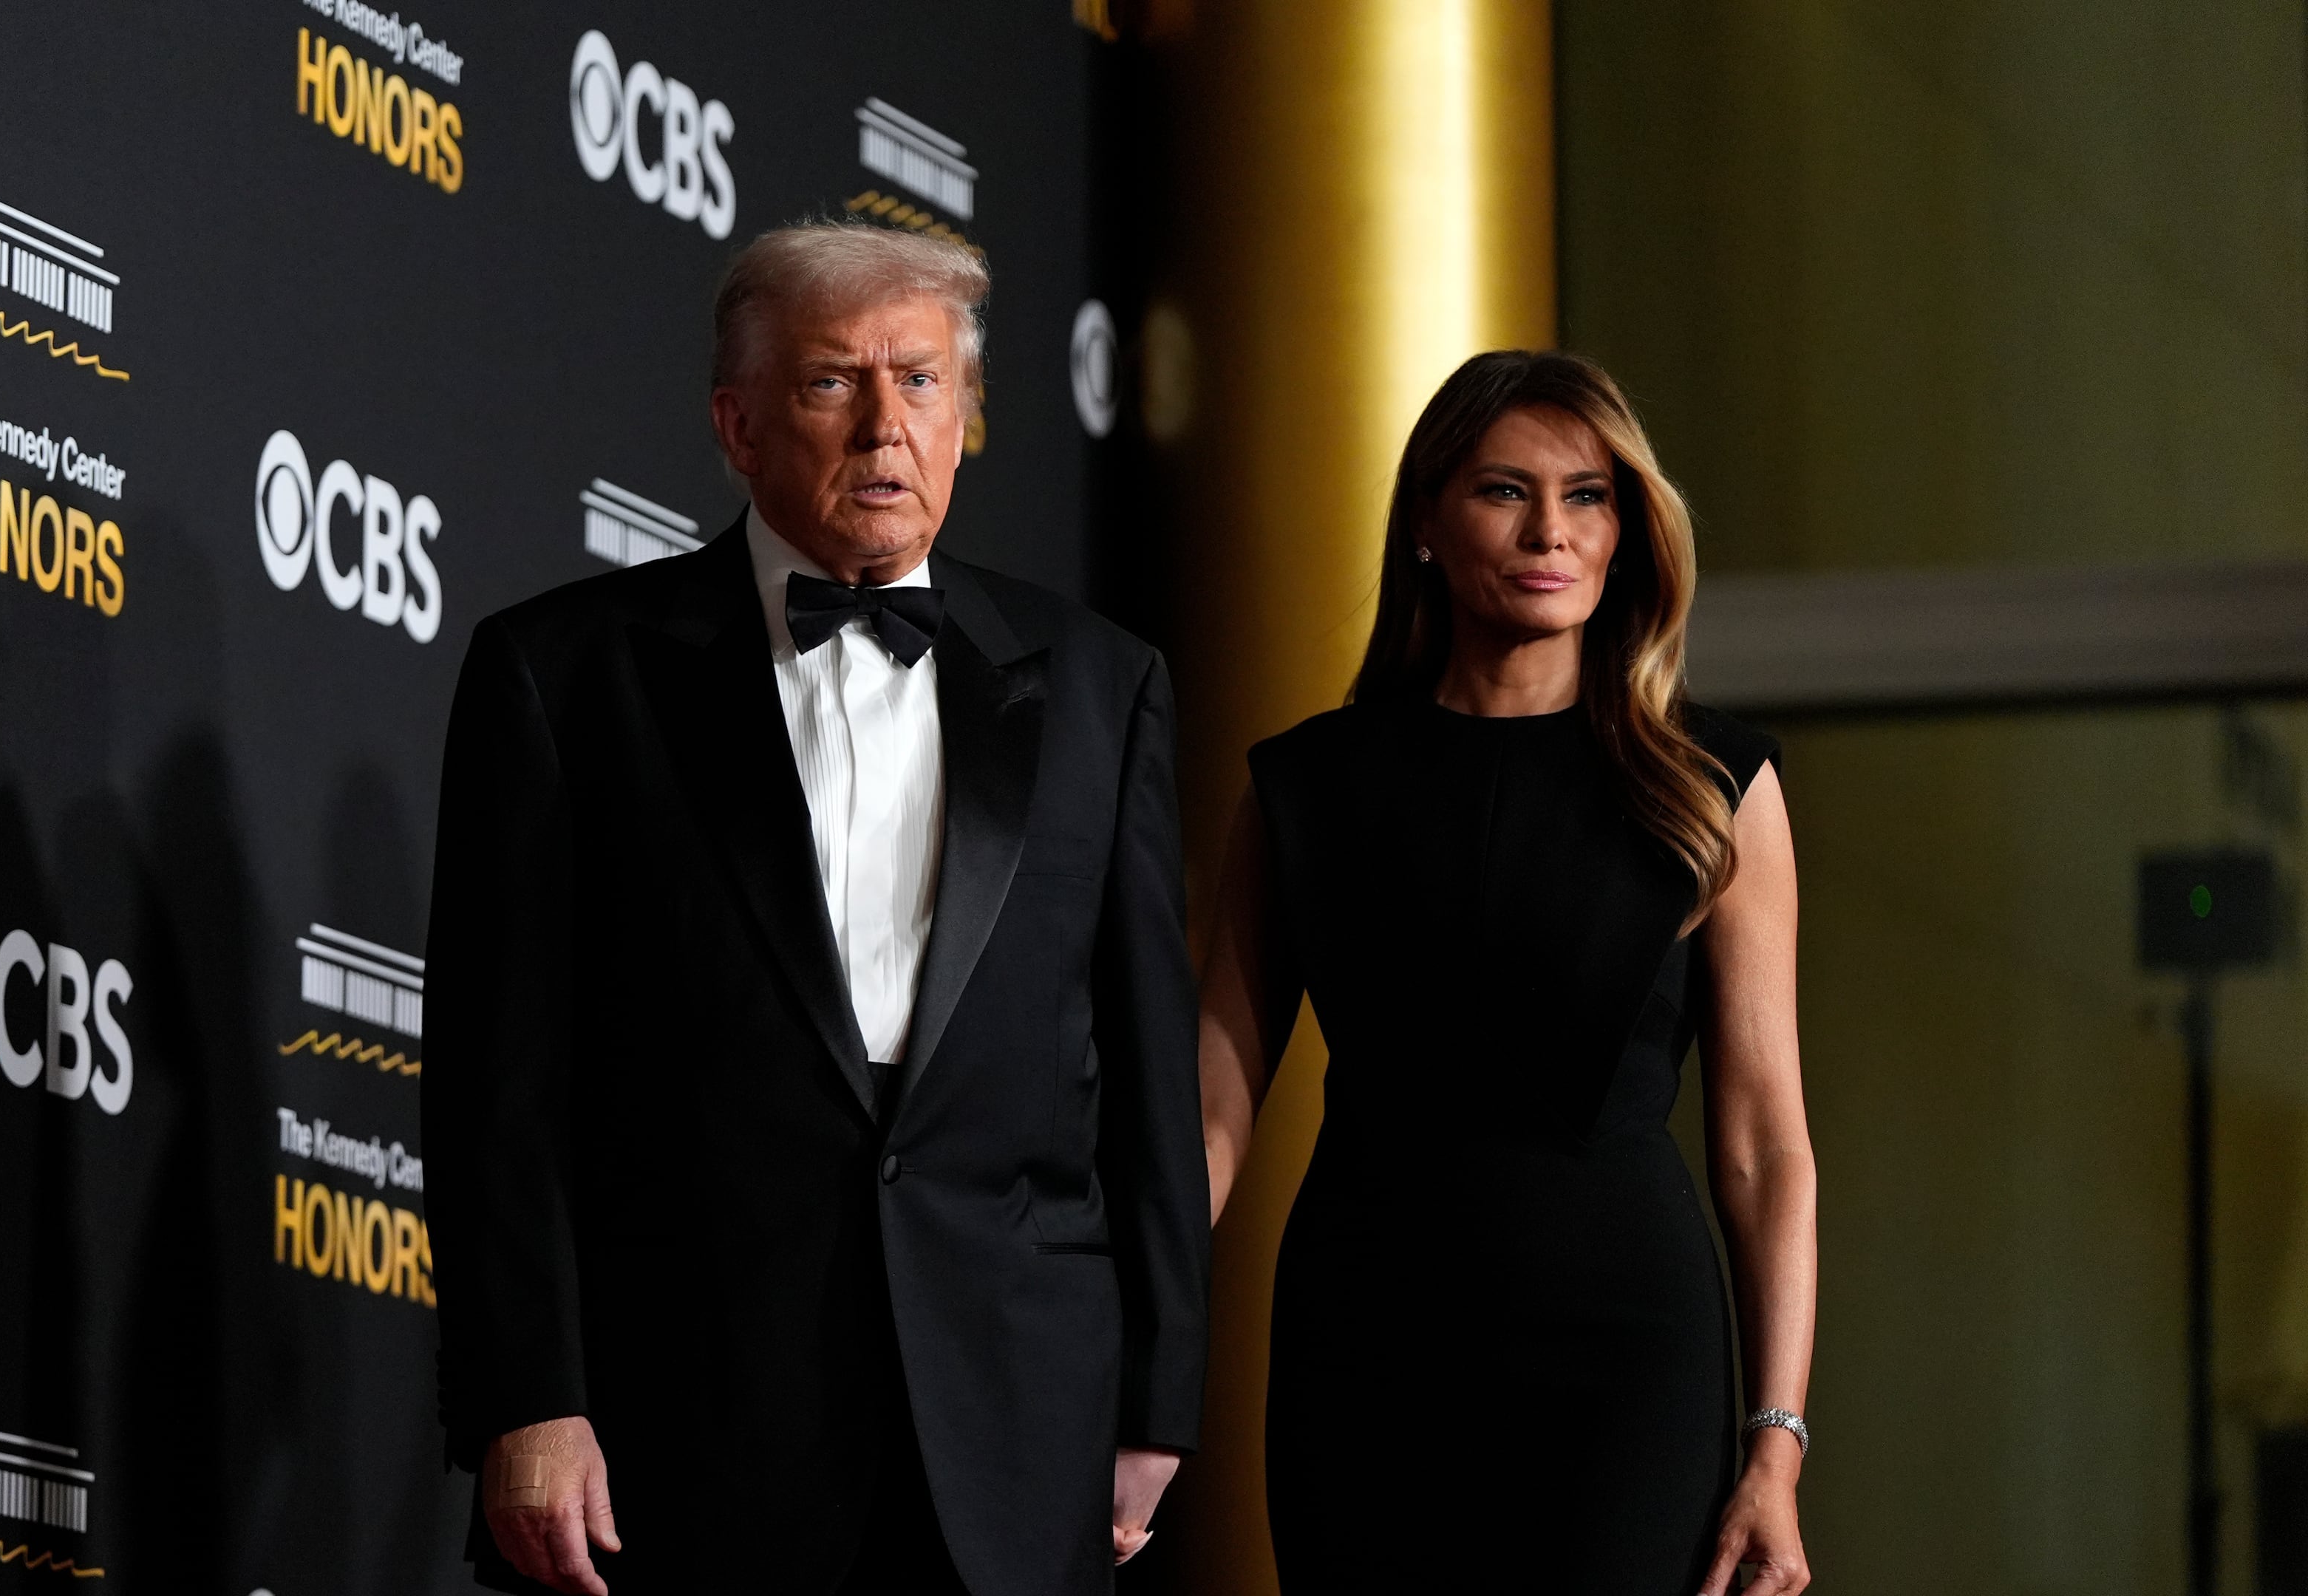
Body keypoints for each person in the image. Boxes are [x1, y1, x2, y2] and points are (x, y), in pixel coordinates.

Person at [423, 219, 1210, 1596]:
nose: (884, 428)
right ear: (737, 425)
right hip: (686, 1412)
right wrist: (526, 1397)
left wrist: (1157, 1399)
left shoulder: (1102, 684)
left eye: (921, 383)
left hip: (1019, 1406)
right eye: (831, 384)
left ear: (967, 419)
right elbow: (498, 1086)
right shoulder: (565, 678)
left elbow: (1151, 1072)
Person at [1196, 350, 1818, 1594]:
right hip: (1362, 1348)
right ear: (1425, 521)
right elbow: (1210, 1109)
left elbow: (1763, 1142)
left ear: (1627, 531)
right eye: (1505, 492)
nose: (1553, 531)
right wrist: (1116, 1351)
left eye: (1589, 496)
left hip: (1628, 1358)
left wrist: (1777, 1447)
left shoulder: (1713, 788)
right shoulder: (1306, 787)